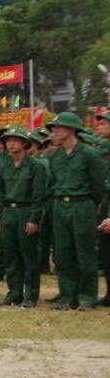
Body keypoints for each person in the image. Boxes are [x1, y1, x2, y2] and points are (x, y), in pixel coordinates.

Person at [42, 112, 107, 310]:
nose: (54, 131)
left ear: (71, 130)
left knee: (84, 251)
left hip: (82, 205)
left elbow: (98, 186)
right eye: (53, 128)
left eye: (58, 127)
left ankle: (87, 296)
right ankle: (66, 295)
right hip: (60, 205)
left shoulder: (89, 154)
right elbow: (52, 182)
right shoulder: (54, 156)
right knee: (62, 252)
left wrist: (89, 205)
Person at [0, 126, 48, 308]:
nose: (11, 143)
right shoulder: (3, 164)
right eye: (8, 140)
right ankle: (14, 292)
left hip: (26, 211)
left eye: (15, 140)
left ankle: (31, 295)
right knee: (10, 254)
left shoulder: (35, 166)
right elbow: (0, 193)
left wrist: (34, 219)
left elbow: (39, 195)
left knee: (28, 255)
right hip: (8, 212)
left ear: (24, 143)